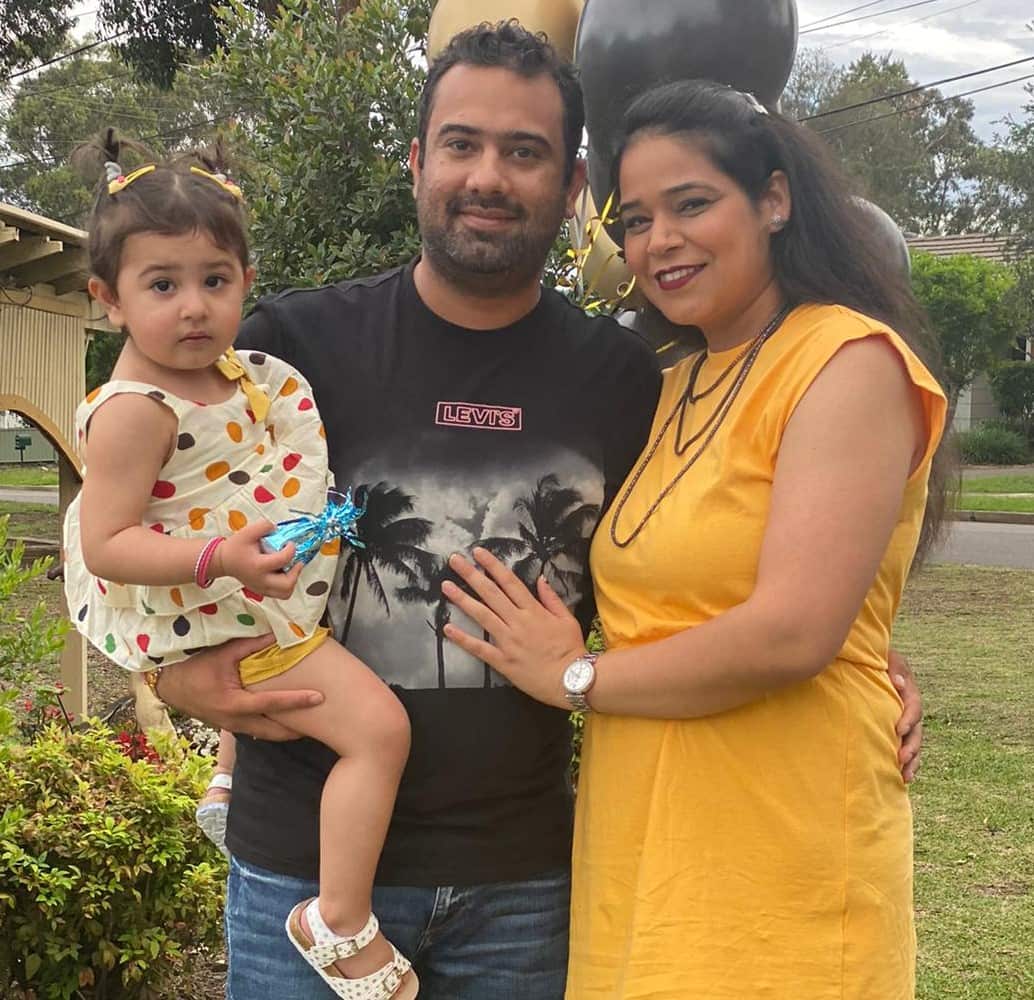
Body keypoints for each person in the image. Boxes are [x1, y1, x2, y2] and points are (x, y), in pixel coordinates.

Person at [148, 25, 926, 999]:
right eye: (461, 144)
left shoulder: (627, 379)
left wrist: (858, 647)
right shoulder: (287, 349)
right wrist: (174, 673)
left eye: (524, 152)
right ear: (416, 161)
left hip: (524, 884)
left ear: (569, 188)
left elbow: (707, 562)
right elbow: (127, 523)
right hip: (302, 869)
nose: (488, 177)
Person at [441, 79, 948, 999]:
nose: (659, 241)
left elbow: (794, 631)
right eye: (636, 220)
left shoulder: (847, 362)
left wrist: (574, 676)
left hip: (780, 850)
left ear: (774, 199)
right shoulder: (671, 385)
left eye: (691, 204)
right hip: (648, 846)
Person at [62, 134, 417, 999]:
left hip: (233, 605)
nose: (194, 307)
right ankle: (337, 919)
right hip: (217, 607)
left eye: (215, 281)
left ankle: (223, 778)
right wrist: (219, 556)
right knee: (379, 733)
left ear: (246, 282)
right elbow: (106, 543)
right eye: (162, 285)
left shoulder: (229, 378)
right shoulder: (136, 411)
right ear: (108, 299)